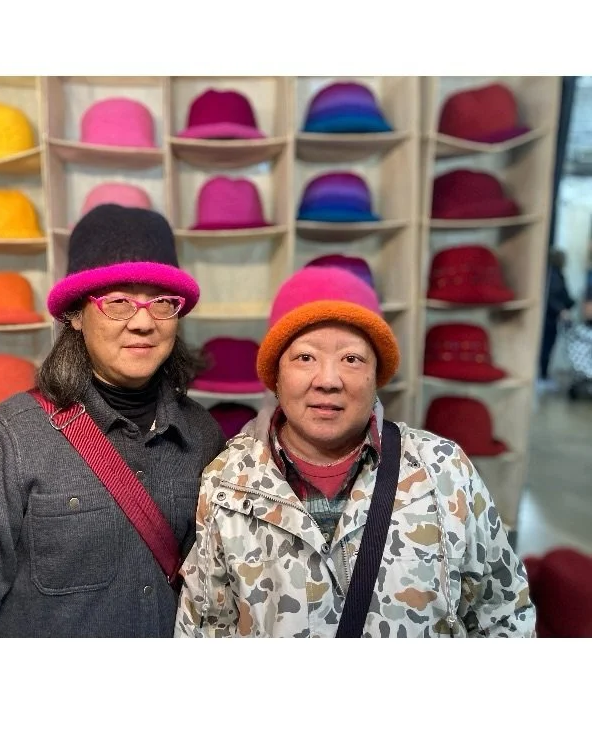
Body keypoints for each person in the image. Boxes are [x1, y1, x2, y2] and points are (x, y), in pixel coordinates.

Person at [174, 265, 536, 637]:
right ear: (276, 375)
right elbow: (205, 626)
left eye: (352, 359)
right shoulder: (227, 483)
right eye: (305, 357)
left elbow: (503, 615)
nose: (328, 380)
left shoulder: (445, 472)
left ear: (377, 373)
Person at [0, 204, 225, 637]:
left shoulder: (202, 435)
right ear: (76, 315)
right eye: (118, 302)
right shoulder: (11, 437)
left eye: (161, 302)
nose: (143, 322)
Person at [539, 247, 575, 382]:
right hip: (549, 319)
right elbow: (552, 297)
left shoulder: (554, 274)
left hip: (550, 318)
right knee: (546, 346)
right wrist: (561, 310)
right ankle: (542, 376)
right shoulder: (554, 276)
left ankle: (543, 375)